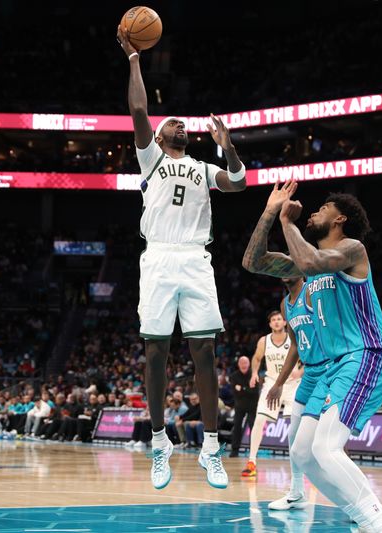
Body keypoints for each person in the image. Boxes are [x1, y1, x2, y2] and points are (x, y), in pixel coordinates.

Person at [117, 27, 247, 491]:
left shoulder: (203, 167)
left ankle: (211, 448)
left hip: (195, 259)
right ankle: (159, 442)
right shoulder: (149, 157)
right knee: (155, 352)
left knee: (205, 352)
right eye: (173, 122)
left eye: (183, 125)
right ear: (159, 132)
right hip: (157, 259)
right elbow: (136, 108)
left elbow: (239, 183)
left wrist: (227, 146)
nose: (181, 126)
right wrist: (134, 59)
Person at [243, 180, 382, 532]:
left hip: (366, 355)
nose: (314, 211)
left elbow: (313, 262)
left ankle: (380, 524)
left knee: (327, 449)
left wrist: (287, 223)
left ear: (340, 218)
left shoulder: (352, 249)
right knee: (303, 455)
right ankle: (362, 519)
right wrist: (270, 212)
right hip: (334, 367)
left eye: (323, 208)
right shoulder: (302, 267)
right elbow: (252, 261)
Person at [263, 276, 330, 511]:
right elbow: (294, 345)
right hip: (309, 373)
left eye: (288, 264)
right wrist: (279, 382)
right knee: (293, 434)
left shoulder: (312, 292)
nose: (283, 270)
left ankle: (355, 501)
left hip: (328, 370)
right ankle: (297, 492)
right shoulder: (285, 304)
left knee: (330, 440)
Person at [242, 310, 303, 478]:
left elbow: (311, 356)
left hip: (292, 385)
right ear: (270, 324)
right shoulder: (264, 341)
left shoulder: (294, 338)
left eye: (279, 319)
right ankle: (252, 461)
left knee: (297, 424)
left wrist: (301, 372)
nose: (276, 322)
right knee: (259, 419)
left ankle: (305, 465)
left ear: (285, 322)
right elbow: (256, 358)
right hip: (272, 385)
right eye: (273, 320)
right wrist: (254, 373)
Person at [228, 356, 259, 458]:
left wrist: (242, 388)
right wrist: (247, 389)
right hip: (239, 405)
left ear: (249, 364)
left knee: (252, 427)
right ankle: (234, 450)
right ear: (238, 365)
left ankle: (253, 452)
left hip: (252, 406)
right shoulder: (234, 376)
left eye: (245, 363)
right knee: (236, 426)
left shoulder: (254, 375)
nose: (244, 365)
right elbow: (234, 392)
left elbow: (255, 392)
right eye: (242, 363)